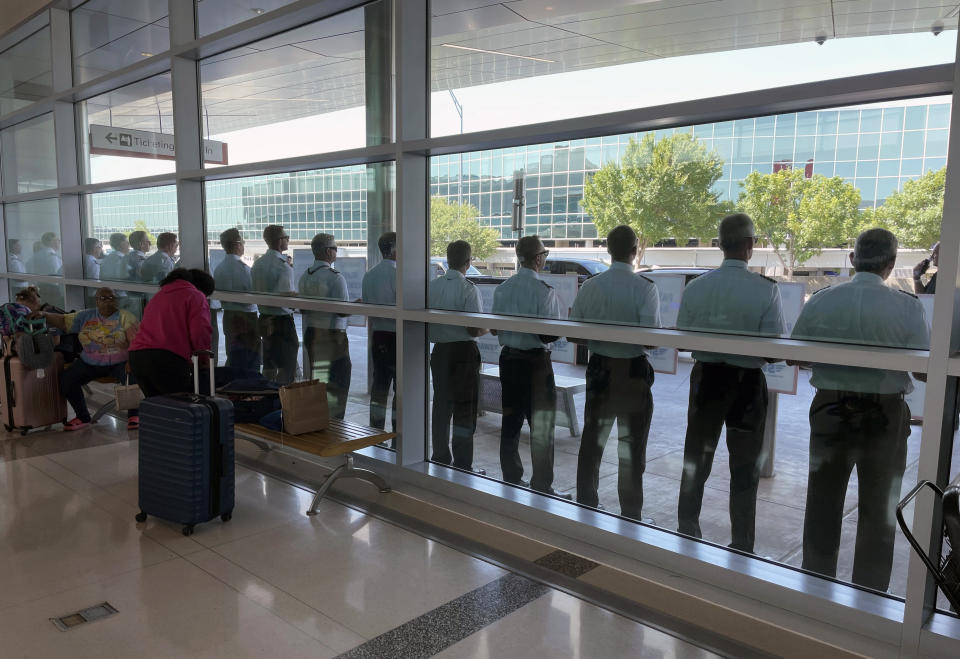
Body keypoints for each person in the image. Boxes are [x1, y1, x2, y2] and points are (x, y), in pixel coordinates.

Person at [792, 228, 929, 592]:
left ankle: (816, 589)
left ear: (852, 260)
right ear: (891, 264)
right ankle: (868, 598)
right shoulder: (907, 307)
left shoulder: (822, 301)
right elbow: (923, 369)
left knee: (822, 501)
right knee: (878, 511)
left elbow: (794, 353)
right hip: (884, 416)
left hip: (829, 409)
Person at [674, 213, 785, 553]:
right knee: (744, 468)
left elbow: (683, 337)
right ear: (750, 245)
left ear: (719, 244)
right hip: (747, 384)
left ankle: (687, 530)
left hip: (706, 379)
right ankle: (741, 544)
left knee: (696, 459)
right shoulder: (765, 291)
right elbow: (772, 347)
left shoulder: (697, 287)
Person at [570, 225, 660, 521]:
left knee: (592, 441)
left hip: (599, 369)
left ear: (608, 250)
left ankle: (586, 505)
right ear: (635, 251)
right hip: (633, 371)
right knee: (632, 447)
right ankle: (630, 514)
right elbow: (650, 339)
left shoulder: (591, 286)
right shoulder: (646, 288)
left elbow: (573, 334)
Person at [492, 235, 566, 498]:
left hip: (509, 360)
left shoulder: (502, 289)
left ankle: (511, 479)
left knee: (511, 420)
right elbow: (546, 335)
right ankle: (542, 485)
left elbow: (494, 328)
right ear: (537, 259)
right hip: (536, 364)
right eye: (544, 255)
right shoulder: (544, 291)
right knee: (542, 426)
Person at [40, 288, 140, 431]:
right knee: (67, 379)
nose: (107, 302)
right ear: (96, 301)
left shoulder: (126, 317)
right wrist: (44, 314)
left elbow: (137, 342)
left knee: (133, 375)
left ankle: (134, 415)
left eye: (111, 298)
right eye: (103, 299)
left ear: (117, 301)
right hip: (89, 363)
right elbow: (63, 321)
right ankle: (82, 416)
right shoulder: (85, 316)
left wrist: (132, 361)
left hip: (120, 363)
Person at [428, 240, 487, 472]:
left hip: (440, 351)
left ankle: (440, 456)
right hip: (464, 353)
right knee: (464, 409)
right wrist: (487, 328)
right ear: (468, 262)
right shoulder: (469, 289)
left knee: (442, 405)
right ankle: (463, 463)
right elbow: (473, 329)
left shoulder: (432, 286)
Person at [128, 269, 214, 397]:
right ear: (202, 289)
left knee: (158, 407)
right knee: (181, 408)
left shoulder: (159, 295)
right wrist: (203, 360)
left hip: (137, 358)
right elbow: (200, 332)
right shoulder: (195, 295)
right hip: (166, 359)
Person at [298, 233, 352, 419]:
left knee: (320, 380)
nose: (336, 252)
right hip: (333, 337)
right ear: (328, 251)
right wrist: (357, 305)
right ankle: (335, 426)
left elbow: (303, 310)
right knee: (339, 383)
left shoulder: (305, 276)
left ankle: (319, 421)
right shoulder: (336, 277)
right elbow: (342, 311)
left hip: (312, 333)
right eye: (335, 248)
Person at [250, 225, 297, 384]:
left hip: (263, 318)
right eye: (286, 237)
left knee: (269, 365)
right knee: (287, 367)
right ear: (279, 241)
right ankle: (284, 402)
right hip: (282, 322)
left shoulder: (258, 264)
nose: (288, 240)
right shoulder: (283, 266)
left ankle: (268, 399)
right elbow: (286, 300)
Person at [361, 232, 398, 431]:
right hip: (398, 336)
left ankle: (375, 430)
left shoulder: (369, 275)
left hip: (379, 336)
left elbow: (367, 308)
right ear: (394, 249)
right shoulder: (398, 275)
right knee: (400, 390)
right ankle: (398, 431)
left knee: (380, 386)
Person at [214, 228, 260, 372]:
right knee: (250, 357)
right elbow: (251, 295)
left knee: (233, 354)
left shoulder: (219, 268)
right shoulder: (243, 269)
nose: (243, 246)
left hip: (228, 316)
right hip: (246, 318)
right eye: (242, 242)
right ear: (237, 245)